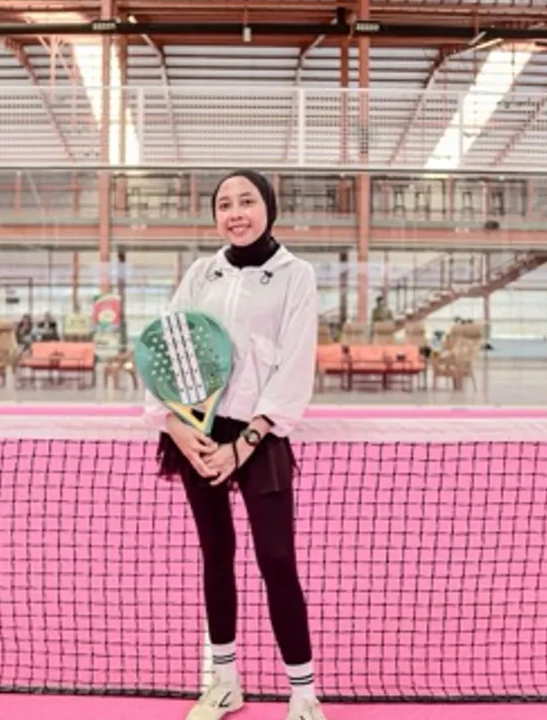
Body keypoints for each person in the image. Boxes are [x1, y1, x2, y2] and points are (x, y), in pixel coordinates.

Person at [143, 169, 325, 720]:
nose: (236, 213)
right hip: (198, 434)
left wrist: (243, 444)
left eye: (247, 201)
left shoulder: (296, 275)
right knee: (216, 553)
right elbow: (167, 346)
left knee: (277, 558)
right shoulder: (202, 273)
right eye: (225, 204)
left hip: (258, 436)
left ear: (268, 208)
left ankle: (303, 694)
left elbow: (295, 363)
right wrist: (174, 426)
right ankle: (223, 683)